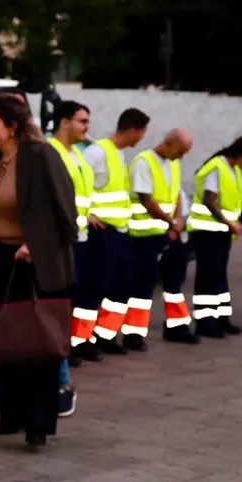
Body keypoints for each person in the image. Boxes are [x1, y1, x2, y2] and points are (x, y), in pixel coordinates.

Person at [0, 94, 78, 449]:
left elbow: (64, 211)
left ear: (12, 126)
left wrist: (35, 244)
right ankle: (12, 415)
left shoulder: (40, 155)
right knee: (9, 342)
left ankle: (39, 423)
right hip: (0, 258)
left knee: (39, 346)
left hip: (36, 262)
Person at [81, 108, 150, 354]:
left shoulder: (118, 154)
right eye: (142, 133)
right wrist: (89, 215)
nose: (141, 139)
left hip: (119, 232)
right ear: (134, 130)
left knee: (120, 285)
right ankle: (81, 340)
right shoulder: (97, 152)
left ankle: (105, 336)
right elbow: (78, 186)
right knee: (94, 287)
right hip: (102, 233)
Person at [124, 128, 197, 347]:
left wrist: (178, 220)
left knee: (175, 281)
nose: (181, 157)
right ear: (168, 142)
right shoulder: (144, 162)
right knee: (143, 287)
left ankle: (177, 327)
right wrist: (172, 222)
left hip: (168, 233)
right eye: (181, 151)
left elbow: (176, 194)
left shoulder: (173, 163)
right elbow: (147, 200)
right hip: (145, 235)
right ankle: (134, 334)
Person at [188, 134, 242, 338]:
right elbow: (209, 200)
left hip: (221, 232)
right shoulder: (217, 167)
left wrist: (231, 223)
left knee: (218, 276)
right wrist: (228, 222)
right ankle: (206, 323)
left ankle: (221, 319)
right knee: (208, 277)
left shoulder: (233, 170)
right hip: (208, 231)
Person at [50, 101, 96, 356]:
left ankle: (72, 345)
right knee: (60, 297)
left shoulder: (78, 153)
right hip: (60, 239)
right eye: (83, 121)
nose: (87, 128)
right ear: (65, 122)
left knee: (75, 295)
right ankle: (59, 348)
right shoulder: (51, 151)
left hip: (80, 235)